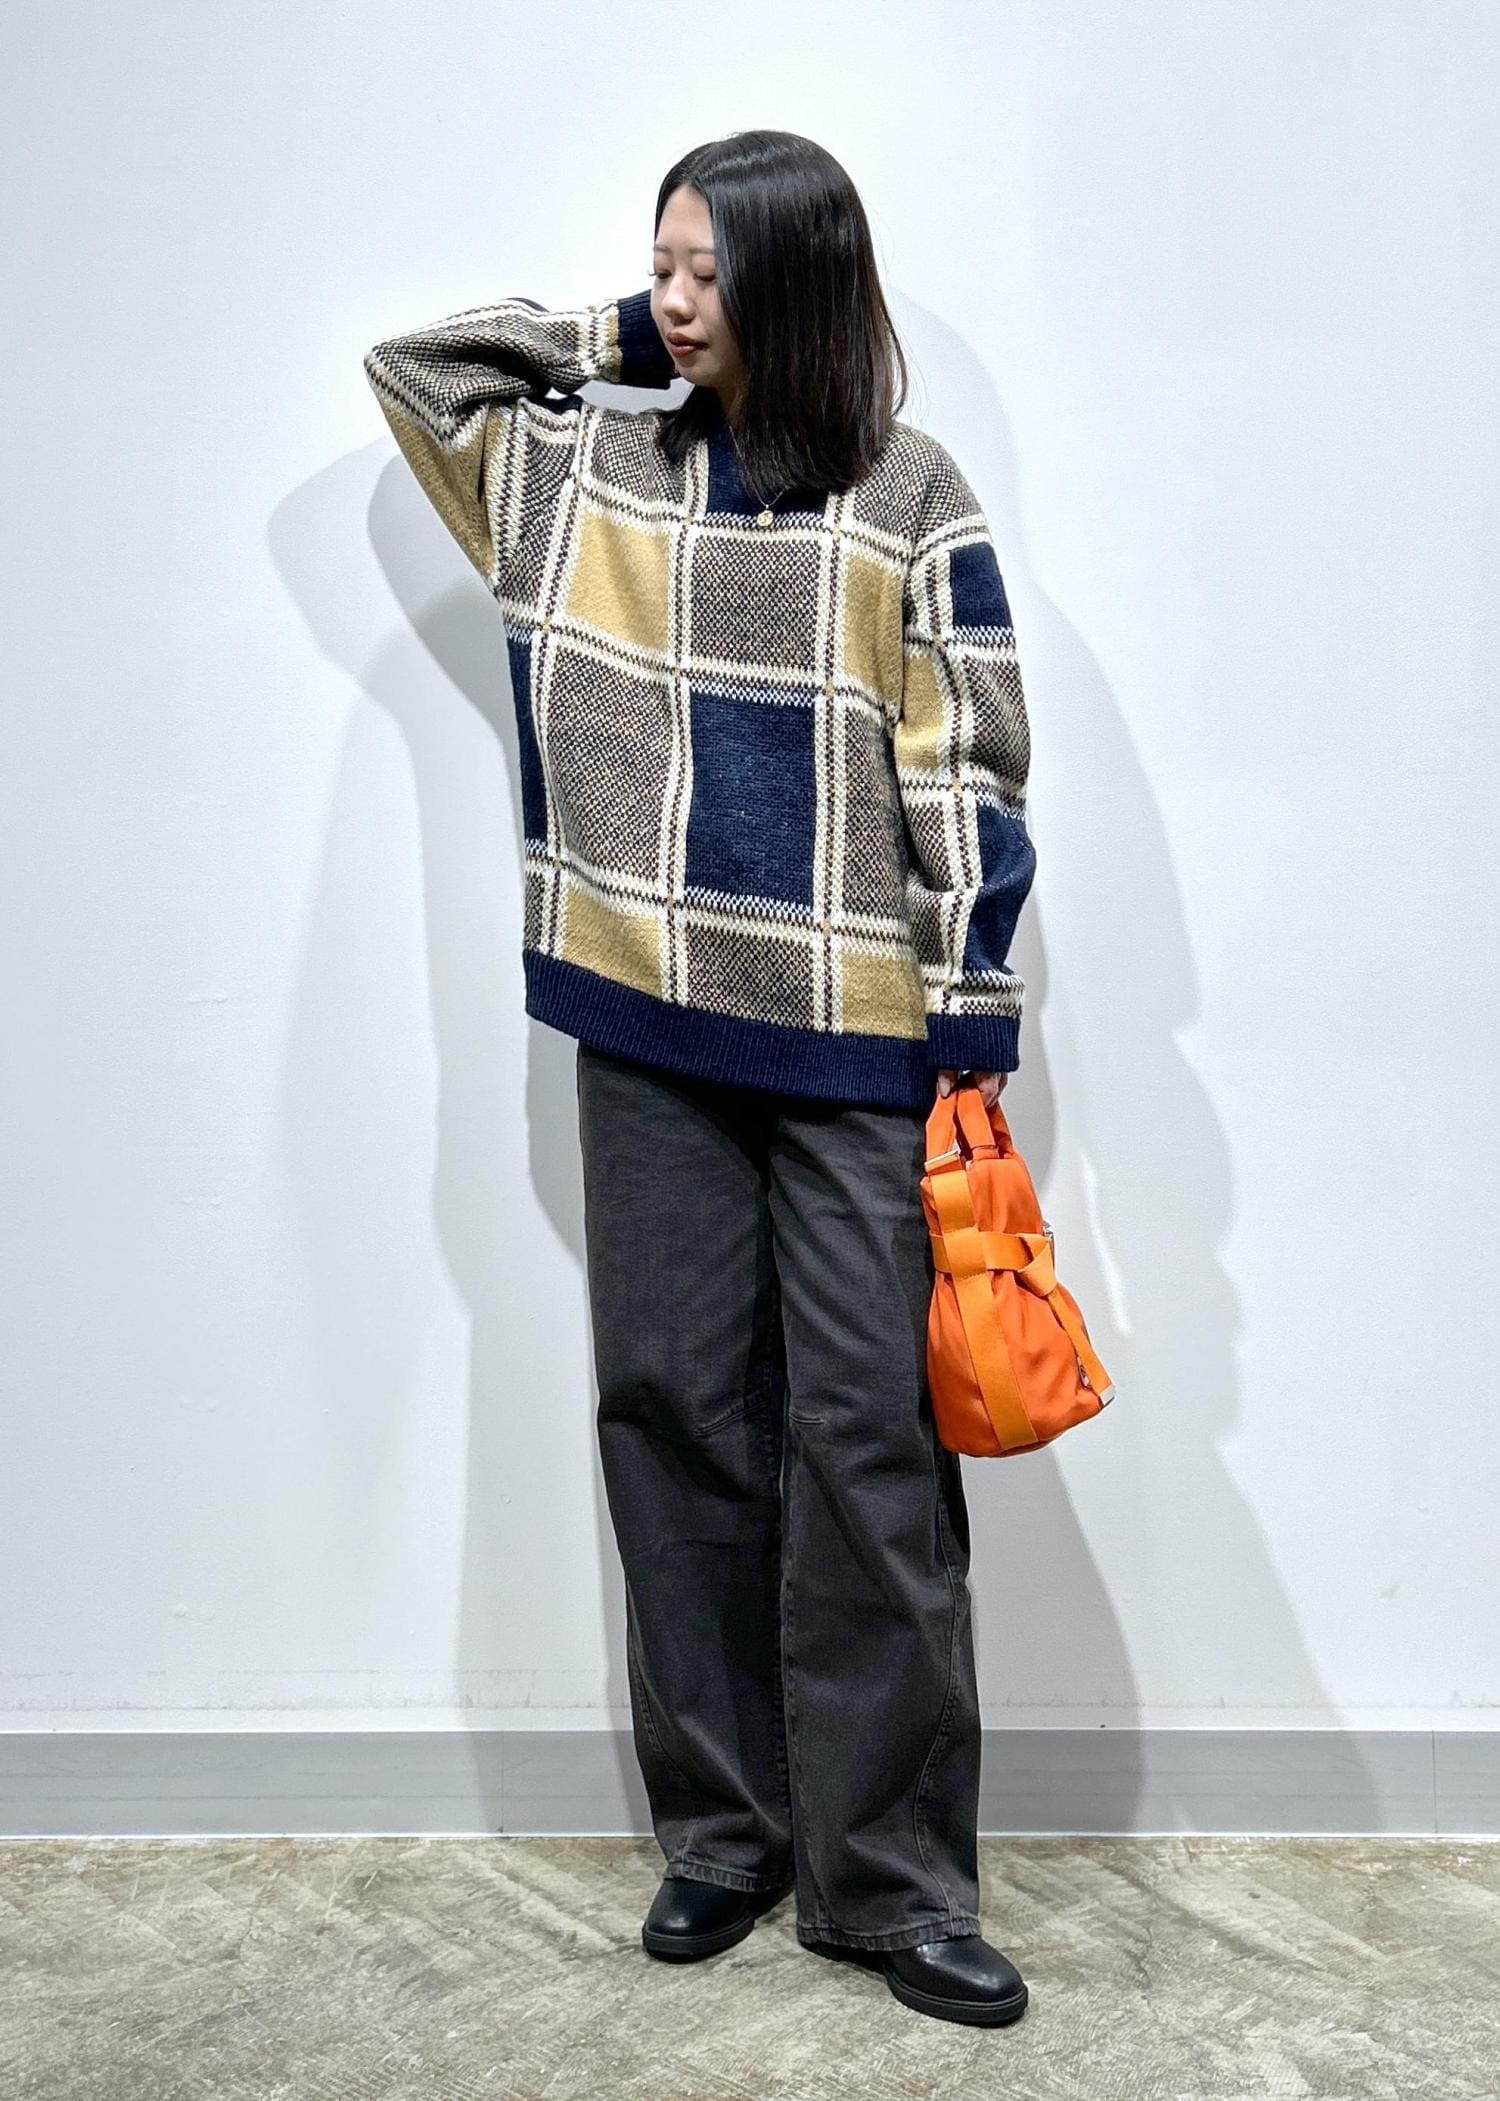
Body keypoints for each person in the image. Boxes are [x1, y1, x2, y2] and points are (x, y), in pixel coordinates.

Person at [363, 128, 1036, 2028]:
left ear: (800, 282)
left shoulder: (910, 492)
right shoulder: (581, 469)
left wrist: (967, 1027)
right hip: (646, 1021)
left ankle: (889, 1877)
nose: (673, 299)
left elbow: (969, 768)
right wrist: (611, 337)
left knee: (870, 1449)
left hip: (853, 1039)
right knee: (669, 1416)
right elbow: (414, 373)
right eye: (660, 262)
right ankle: (726, 1834)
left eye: (709, 272)